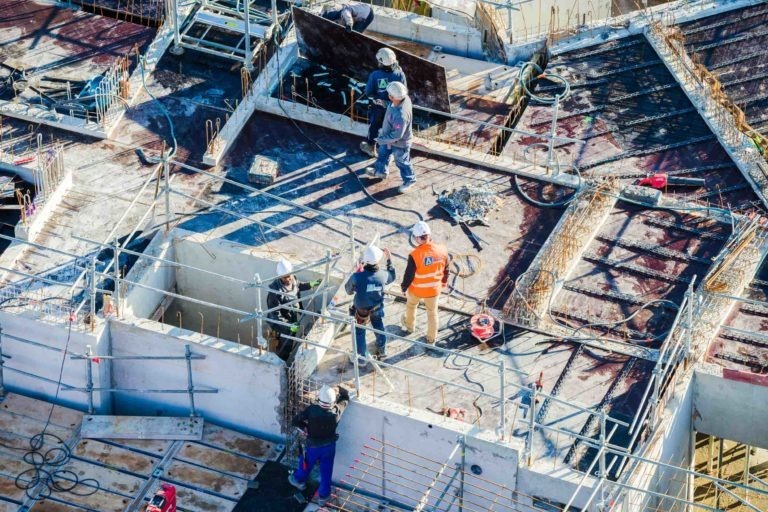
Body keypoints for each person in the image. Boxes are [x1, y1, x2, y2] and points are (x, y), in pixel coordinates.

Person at [289, 384, 351, 507]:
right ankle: (323, 497)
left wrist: (304, 428)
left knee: (305, 463)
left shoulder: (312, 410)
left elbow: (295, 421)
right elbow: (345, 399)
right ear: (333, 401)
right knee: (326, 471)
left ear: (319, 399)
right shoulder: (336, 412)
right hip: (329, 447)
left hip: (313, 446)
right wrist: (341, 390)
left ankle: (299, 480)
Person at [400, 221, 449, 347]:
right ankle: (431, 339)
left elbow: (409, 275)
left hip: (417, 289)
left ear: (417, 238)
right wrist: (443, 282)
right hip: (433, 290)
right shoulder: (442, 250)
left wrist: (404, 287)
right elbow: (446, 269)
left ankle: (410, 327)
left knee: (411, 306)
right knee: (432, 313)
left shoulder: (415, 255)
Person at [364, 81, 416, 194]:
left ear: (392, 97)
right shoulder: (404, 99)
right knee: (383, 154)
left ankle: (409, 180)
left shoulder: (401, 115)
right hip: (388, 139)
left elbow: (397, 135)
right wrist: (384, 103)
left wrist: (381, 139)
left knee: (402, 162)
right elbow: (393, 106)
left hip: (399, 144)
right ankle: (381, 171)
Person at [345, 245, 396, 360]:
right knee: (378, 326)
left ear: (365, 260)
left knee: (359, 331)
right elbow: (392, 276)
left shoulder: (357, 277)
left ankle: (361, 357)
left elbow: (348, 290)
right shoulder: (383, 275)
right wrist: (389, 260)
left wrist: (358, 276)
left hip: (361, 310)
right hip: (376, 308)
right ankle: (382, 350)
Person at [266, 259, 321, 361]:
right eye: (285, 277)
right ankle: (281, 362)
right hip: (281, 325)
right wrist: (288, 326)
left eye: (290, 275)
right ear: (280, 277)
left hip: (292, 318)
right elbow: (275, 316)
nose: (289, 278)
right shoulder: (274, 292)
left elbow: (298, 286)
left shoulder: (293, 279)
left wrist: (311, 284)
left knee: (290, 341)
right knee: (284, 345)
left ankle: (286, 356)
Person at [360, 48, 407, 158]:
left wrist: (377, 99)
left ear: (381, 63)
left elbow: (368, 92)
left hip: (379, 109)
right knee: (390, 129)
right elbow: (403, 92)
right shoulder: (400, 74)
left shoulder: (375, 75)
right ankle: (388, 153)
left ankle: (371, 147)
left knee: (374, 127)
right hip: (394, 109)